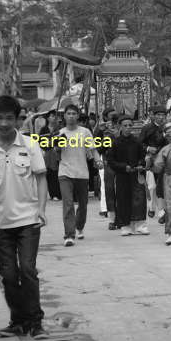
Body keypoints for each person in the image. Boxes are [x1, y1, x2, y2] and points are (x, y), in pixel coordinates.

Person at [0, 95, 48, 339]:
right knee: (9, 275)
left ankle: (35, 322)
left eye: (9, 118)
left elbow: (41, 177)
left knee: (27, 269)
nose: (4, 123)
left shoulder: (30, 145)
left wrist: (41, 209)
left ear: (18, 120)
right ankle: (18, 321)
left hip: (28, 219)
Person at [58, 104, 101, 246]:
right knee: (68, 204)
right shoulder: (60, 133)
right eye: (68, 113)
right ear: (64, 116)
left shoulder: (85, 132)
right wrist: (57, 146)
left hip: (82, 173)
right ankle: (69, 235)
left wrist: (98, 160)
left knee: (83, 205)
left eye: (73, 113)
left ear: (77, 116)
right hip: (64, 173)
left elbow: (92, 149)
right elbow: (56, 153)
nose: (71, 116)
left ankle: (79, 226)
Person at [107, 115, 148, 236]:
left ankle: (140, 224)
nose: (128, 128)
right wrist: (123, 167)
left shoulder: (137, 141)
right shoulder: (115, 142)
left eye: (130, 125)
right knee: (123, 199)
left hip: (136, 175)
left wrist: (141, 164)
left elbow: (142, 156)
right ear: (120, 126)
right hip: (122, 176)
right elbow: (111, 161)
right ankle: (125, 225)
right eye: (125, 126)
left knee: (139, 199)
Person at [140, 106, 168, 222]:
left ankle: (162, 212)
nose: (161, 117)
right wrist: (147, 149)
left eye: (163, 115)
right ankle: (151, 207)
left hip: (165, 159)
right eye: (158, 115)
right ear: (153, 116)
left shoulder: (168, 128)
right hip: (151, 159)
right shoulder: (147, 128)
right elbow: (139, 143)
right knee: (152, 186)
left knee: (163, 185)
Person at [38, 110, 61, 201]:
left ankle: (58, 193)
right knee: (49, 173)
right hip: (47, 153)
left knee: (57, 173)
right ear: (48, 118)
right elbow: (40, 141)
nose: (54, 117)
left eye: (55, 116)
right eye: (52, 116)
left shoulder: (59, 129)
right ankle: (52, 194)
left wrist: (57, 145)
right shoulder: (44, 129)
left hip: (57, 153)